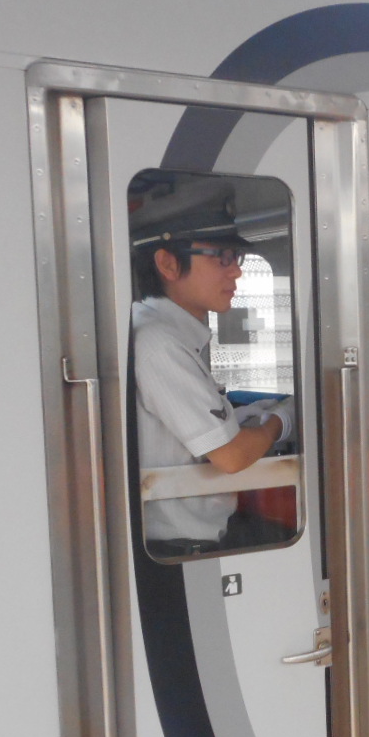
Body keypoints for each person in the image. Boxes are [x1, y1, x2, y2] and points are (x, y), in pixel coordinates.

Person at [129, 212, 295, 557]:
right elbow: (231, 456)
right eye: (222, 257)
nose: (236, 271)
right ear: (168, 264)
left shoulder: (163, 331)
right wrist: (282, 420)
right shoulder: (159, 343)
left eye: (237, 258)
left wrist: (246, 416)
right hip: (178, 550)